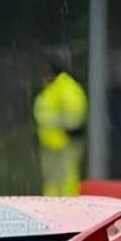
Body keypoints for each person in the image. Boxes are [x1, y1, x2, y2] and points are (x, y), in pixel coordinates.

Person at [31, 46, 88, 197]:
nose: (43, 73)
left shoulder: (65, 86)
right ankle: (51, 208)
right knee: (53, 179)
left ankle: (66, 210)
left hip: (63, 145)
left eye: (46, 69)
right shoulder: (54, 87)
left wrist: (65, 129)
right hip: (52, 143)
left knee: (65, 180)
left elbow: (74, 116)